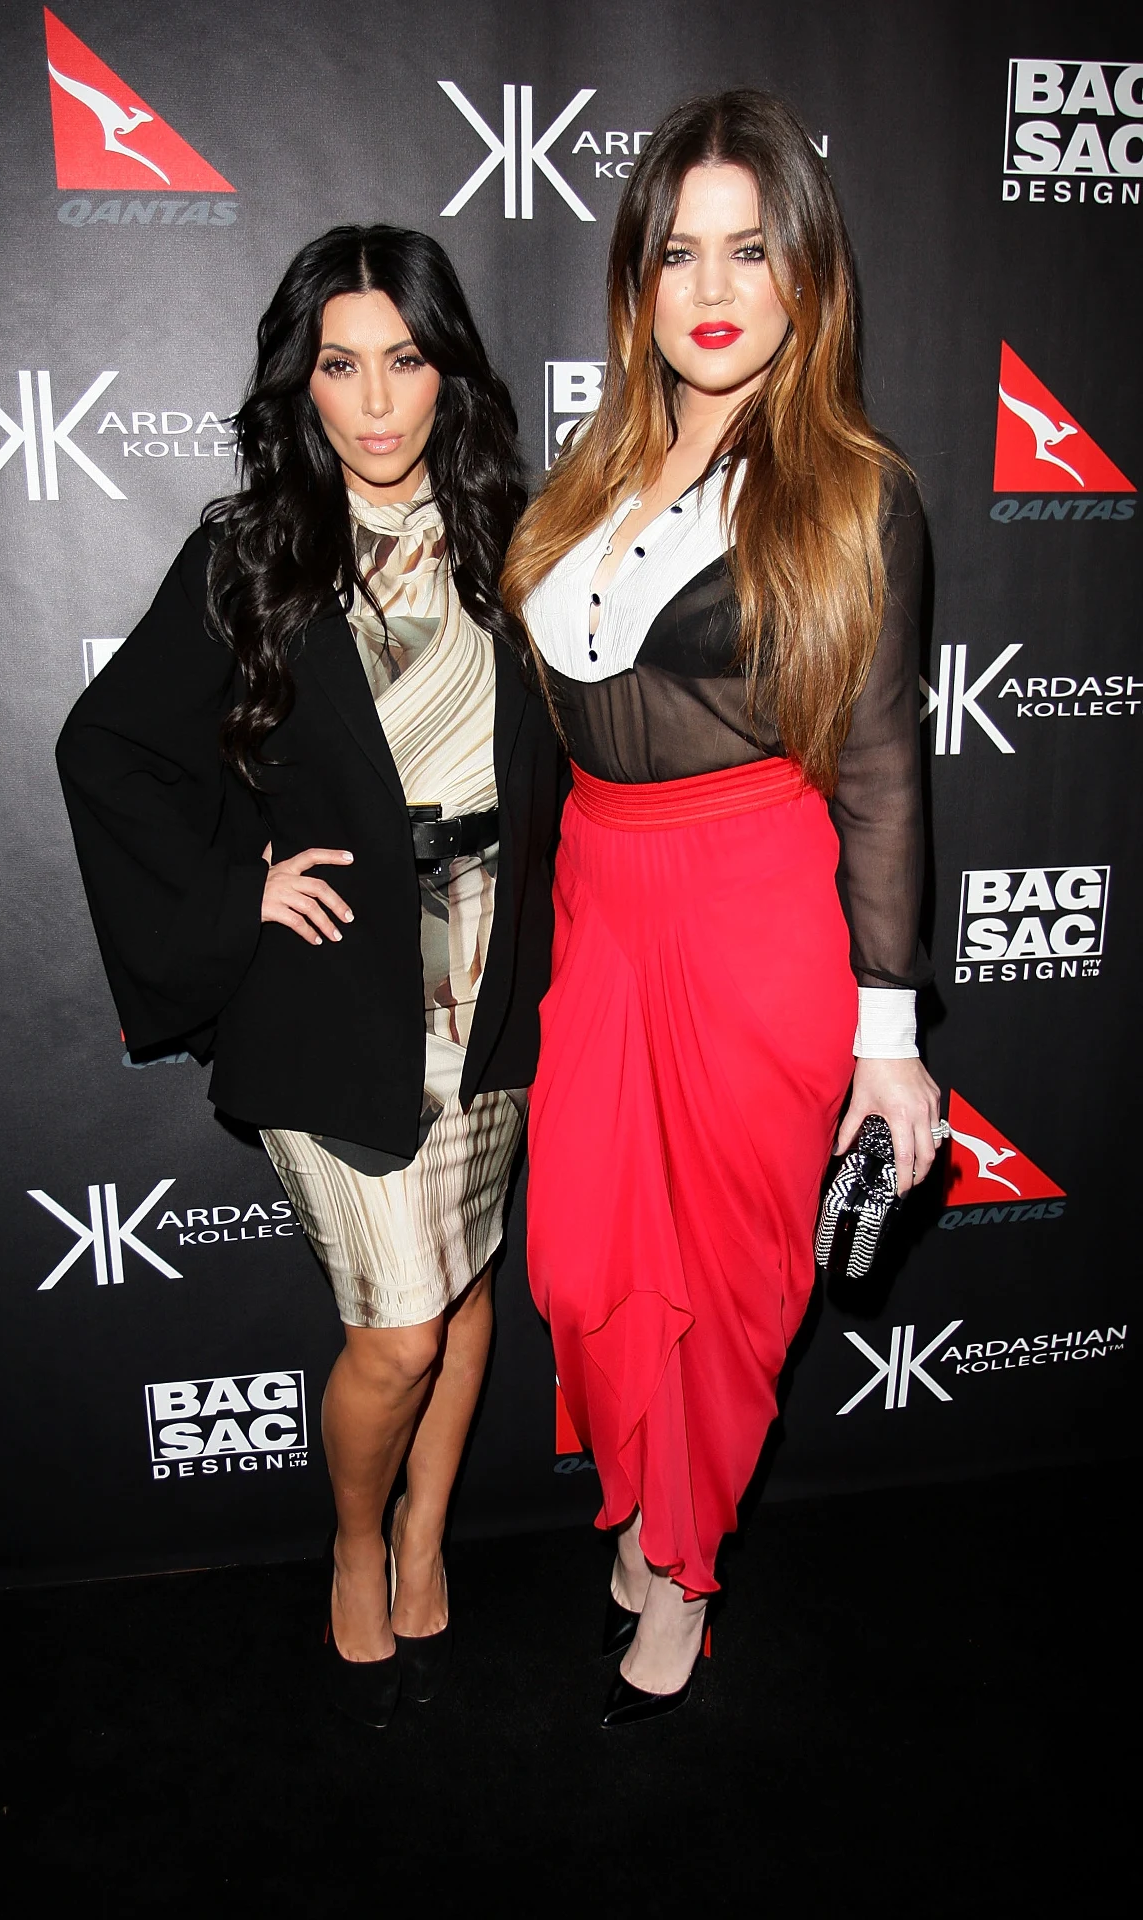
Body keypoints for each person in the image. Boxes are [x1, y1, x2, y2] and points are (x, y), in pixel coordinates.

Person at [57, 226, 561, 1728]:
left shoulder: (517, 536)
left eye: (405, 360)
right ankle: (355, 1537)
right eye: (342, 366)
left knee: (464, 1286)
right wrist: (241, 894)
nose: (378, 401)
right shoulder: (253, 551)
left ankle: (427, 1530)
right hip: (342, 997)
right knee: (396, 1331)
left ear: (449, 371)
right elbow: (109, 748)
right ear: (303, 384)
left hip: (499, 973)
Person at [502, 91, 940, 1727]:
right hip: (599, 901)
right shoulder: (596, 467)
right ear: (638, 281)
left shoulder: (854, 494)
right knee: (583, 1262)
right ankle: (646, 1501)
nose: (712, 286)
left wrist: (889, 1042)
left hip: (755, 913)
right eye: (679, 251)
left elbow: (883, 770)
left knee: (722, 1289)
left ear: (805, 276)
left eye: (750, 251)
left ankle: (682, 1574)